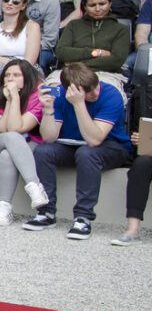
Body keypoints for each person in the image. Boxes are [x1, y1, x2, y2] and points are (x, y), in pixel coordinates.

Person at [25, 61, 135, 239]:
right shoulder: (61, 96)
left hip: (112, 146)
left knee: (87, 153)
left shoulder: (110, 94)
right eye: (89, 91)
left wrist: (79, 104)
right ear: (71, 91)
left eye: (95, 86)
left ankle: (83, 217)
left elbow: (95, 139)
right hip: (73, 145)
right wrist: (48, 109)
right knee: (43, 151)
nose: (95, 92)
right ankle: (46, 213)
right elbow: (49, 137)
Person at [0, 58, 50, 226]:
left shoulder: (38, 95)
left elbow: (19, 126)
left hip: (28, 143)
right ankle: (34, 185)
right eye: (7, 75)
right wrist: (10, 100)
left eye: (17, 75)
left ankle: (4, 208)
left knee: (7, 155)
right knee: (12, 138)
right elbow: (5, 129)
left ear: (27, 78)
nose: (10, 79)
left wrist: (15, 98)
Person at [54, 0, 130, 82]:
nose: (98, 9)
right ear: (84, 7)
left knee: (103, 90)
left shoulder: (121, 29)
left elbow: (116, 60)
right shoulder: (73, 25)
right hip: (69, 72)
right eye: (92, 5)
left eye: (102, 4)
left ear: (110, 4)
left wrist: (77, 64)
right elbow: (61, 52)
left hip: (106, 73)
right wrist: (96, 52)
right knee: (50, 89)